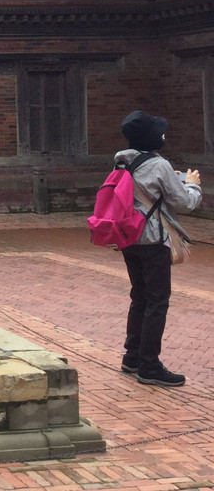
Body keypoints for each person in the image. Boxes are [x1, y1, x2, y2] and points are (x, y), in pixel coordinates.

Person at [115, 110, 202, 387]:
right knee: (157, 301)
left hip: (129, 237)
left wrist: (170, 177)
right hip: (152, 239)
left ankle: (133, 357)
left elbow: (144, 186)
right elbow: (185, 203)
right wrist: (192, 185)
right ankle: (150, 366)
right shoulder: (159, 164)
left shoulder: (121, 160)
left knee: (139, 297)